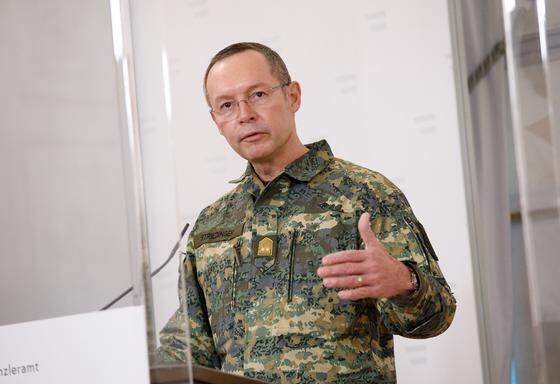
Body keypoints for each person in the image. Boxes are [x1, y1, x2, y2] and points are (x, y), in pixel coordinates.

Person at [157, 42, 456, 384]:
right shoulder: (213, 221)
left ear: (293, 96)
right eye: (227, 105)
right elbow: (187, 347)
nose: (244, 114)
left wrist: (404, 282)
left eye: (257, 95)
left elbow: (438, 315)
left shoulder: (364, 193)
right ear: (216, 121)